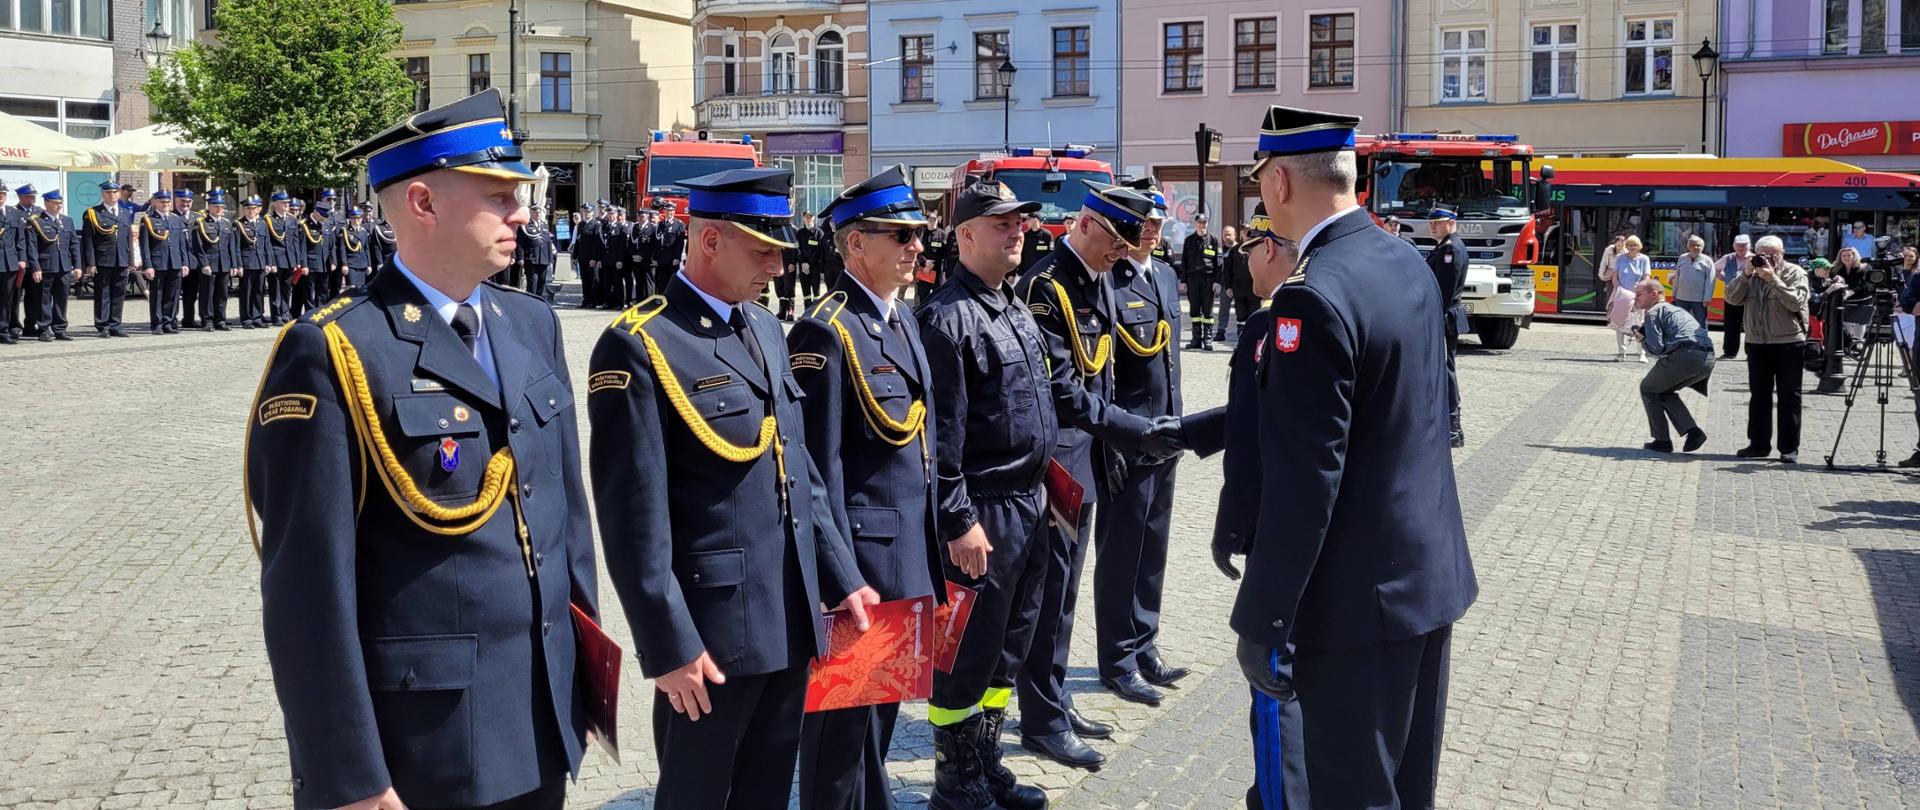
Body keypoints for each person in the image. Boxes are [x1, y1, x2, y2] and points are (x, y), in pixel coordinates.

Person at [247, 88, 600, 810]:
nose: (523, 214)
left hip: (539, 712)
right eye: (499, 196)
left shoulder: (531, 325)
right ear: (423, 203)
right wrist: (347, 772)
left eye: (520, 194)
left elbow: (565, 517)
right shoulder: (338, 348)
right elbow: (307, 586)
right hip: (425, 739)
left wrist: (583, 676)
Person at [586, 166, 877, 810]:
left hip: (789, 613)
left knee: (766, 792)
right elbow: (633, 517)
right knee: (697, 795)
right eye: (762, 249)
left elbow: (800, 472)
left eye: (780, 250)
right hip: (710, 633)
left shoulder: (766, 329)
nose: (777, 266)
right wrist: (667, 644)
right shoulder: (641, 344)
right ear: (710, 240)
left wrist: (841, 574)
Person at [1236, 104, 1477, 809]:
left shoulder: (1313, 296)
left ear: (1279, 182)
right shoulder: (1402, 258)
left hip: (1355, 605)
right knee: (1407, 789)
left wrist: (1264, 619)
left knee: (1352, 794)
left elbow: (1307, 482)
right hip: (1426, 579)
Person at [785, 166, 948, 810]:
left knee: (875, 732)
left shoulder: (901, 320)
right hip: (858, 569)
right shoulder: (826, 330)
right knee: (838, 743)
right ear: (856, 244)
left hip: (905, 556)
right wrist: (835, 577)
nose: (916, 247)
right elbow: (816, 470)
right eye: (900, 235)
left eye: (918, 235)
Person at [1013, 181, 1181, 771]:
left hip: (1088, 457)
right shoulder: (1046, 285)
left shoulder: (1096, 278)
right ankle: (1041, 719)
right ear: (1087, 225)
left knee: (1064, 593)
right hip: (1058, 460)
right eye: (1115, 241)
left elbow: (1103, 373)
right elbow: (1062, 389)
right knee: (1049, 592)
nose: (1121, 254)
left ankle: (1053, 698)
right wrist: (1130, 430)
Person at [913, 179, 1055, 810]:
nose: (1018, 231)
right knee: (964, 656)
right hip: (984, 512)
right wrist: (957, 519)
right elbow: (938, 443)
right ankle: (955, 782)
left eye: (1020, 222)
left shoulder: (1014, 304)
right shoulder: (947, 318)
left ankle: (986, 761)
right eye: (1003, 224)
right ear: (966, 234)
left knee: (1007, 651)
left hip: (1030, 505)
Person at [1095, 177, 1220, 713]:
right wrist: (1111, 443)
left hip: (1167, 435)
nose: (1147, 229)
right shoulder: (1110, 281)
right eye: (1139, 221)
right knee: (1121, 553)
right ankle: (1117, 659)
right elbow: (1099, 375)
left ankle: (1145, 643)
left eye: (1154, 220)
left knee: (1153, 551)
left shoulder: (1166, 277)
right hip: (1128, 440)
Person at [1207, 204, 1309, 810]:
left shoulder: (1270, 323)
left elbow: (1249, 441)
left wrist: (1230, 531)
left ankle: (1278, 800)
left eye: (1249, 249)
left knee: (1274, 684)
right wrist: (1180, 432)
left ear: (1269, 249)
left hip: (1280, 533)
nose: (1243, 261)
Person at [1724, 238, 1811, 463]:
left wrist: (1773, 279)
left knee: (1789, 396)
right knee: (1759, 396)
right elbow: (1731, 299)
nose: (1768, 258)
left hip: (1788, 342)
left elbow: (1796, 302)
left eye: (1773, 254)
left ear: (1782, 253)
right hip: (1756, 343)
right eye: (1763, 253)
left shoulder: (1795, 273)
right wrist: (1745, 275)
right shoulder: (1749, 273)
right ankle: (1758, 445)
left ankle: (1789, 448)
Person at [1630, 277, 1713, 453]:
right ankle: (1693, 432)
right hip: (1707, 357)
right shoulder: (1676, 309)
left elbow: (1656, 349)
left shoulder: (1653, 312)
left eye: (1639, 294)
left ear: (1653, 294)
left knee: (1648, 388)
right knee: (1663, 390)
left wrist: (1641, 337)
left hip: (1686, 356)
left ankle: (1662, 440)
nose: (1636, 298)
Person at [1428, 204, 1470, 447]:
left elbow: (1443, 290)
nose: (1433, 226)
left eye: (1438, 222)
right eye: (1431, 222)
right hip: (1445, 315)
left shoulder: (1450, 250)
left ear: (1451, 223)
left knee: (1446, 369)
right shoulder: (1444, 246)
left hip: (1445, 316)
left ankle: (1453, 425)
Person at [79, 181, 135, 338]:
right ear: (103, 194)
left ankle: (116, 324)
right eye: (109, 192)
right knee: (103, 293)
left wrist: (130, 260)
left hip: (121, 259)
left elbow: (128, 238)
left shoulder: (124, 212)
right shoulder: (92, 213)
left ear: (119, 193)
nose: (112, 195)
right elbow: (88, 240)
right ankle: (102, 325)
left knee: (119, 293)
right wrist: (90, 263)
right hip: (103, 259)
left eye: (115, 192)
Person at [23, 188, 78, 341]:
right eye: (55, 203)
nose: (58, 206)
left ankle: (60, 328)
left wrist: (78, 265)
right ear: (46, 203)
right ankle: (44, 329)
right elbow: (31, 247)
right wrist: (35, 267)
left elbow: (74, 243)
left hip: (64, 266)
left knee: (61, 298)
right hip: (45, 266)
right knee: (44, 299)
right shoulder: (36, 220)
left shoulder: (67, 220)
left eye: (60, 203)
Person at [139, 190, 187, 334]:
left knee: (173, 295)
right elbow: (145, 245)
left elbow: (181, 243)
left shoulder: (175, 219)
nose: (165, 204)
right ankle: (157, 324)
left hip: (175, 262)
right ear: (155, 202)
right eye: (162, 202)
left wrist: (184, 262)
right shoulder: (148, 219)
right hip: (158, 263)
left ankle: (169, 322)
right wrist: (148, 265)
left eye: (167, 202)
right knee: (157, 295)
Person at [191, 191, 239, 331]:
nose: (219, 209)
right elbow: (198, 247)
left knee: (222, 294)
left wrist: (234, 264)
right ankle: (207, 320)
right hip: (209, 264)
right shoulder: (201, 223)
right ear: (210, 207)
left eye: (221, 207)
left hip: (224, 263)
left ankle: (220, 320)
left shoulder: (226, 223)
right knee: (207, 294)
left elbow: (232, 246)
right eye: (216, 206)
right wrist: (204, 264)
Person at [1605, 235, 1652, 361]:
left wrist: (1640, 289)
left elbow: (1647, 277)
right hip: (1622, 297)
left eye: (1634, 245)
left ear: (1639, 247)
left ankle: (1641, 354)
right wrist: (1618, 290)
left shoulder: (1644, 259)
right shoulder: (1621, 258)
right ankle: (1621, 353)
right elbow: (1615, 276)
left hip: (1638, 297)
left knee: (1639, 324)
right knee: (1620, 323)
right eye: (1630, 245)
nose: (1632, 247)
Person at [1182, 213, 1223, 350]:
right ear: (1195, 224)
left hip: (1208, 279)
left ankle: (1208, 339)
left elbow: (1219, 263)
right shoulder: (1189, 241)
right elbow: (1184, 262)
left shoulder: (1213, 240)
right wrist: (1183, 281)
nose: (1202, 225)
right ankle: (1196, 339)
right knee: (1194, 310)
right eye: (1200, 222)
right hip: (1193, 279)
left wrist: (1217, 281)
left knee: (1208, 311)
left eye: (1204, 222)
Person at [292, 201, 334, 320]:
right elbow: (302, 247)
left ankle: (320, 313)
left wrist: (333, 261)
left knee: (322, 290)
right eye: (322, 216)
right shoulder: (304, 225)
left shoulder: (326, 225)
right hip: (311, 264)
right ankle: (310, 314)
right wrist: (304, 265)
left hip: (324, 263)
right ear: (316, 212)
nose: (323, 219)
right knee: (309, 292)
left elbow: (331, 246)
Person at [234, 197, 270, 328]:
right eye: (248, 208)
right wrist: (239, 265)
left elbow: (267, 245)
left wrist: (269, 262)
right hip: (247, 263)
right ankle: (247, 319)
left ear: (257, 209)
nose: (251, 211)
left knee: (259, 292)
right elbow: (236, 247)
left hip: (260, 262)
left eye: (253, 208)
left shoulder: (262, 223)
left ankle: (257, 317)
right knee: (246, 292)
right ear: (243, 209)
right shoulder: (239, 224)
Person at [1716, 234, 1753, 359]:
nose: (1740, 248)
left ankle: (1751, 353)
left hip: (1750, 297)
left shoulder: (1754, 258)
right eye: (1738, 245)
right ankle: (1730, 352)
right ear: (1734, 246)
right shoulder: (1728, 258)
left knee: (1751, 326)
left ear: (1749, 245)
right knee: (1731, 325)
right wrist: (1721, 276)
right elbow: (1714, 268)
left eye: (1744, 245)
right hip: (1731, 296)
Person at [264, 192, 296, 326]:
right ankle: (276, 316)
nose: (286, 205)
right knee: (275, 289)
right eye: (283, 203)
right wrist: (270, 262)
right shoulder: (268, 219)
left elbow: (295, 241)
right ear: (275, 203)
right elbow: (268, 243)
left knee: (286, 289)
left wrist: (297, 260)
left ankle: (285, 314)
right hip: (276, 259)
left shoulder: (291, 219)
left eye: (287, 203)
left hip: (289, 259)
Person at [1672, 234, 1716, 328]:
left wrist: (1707, 298)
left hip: (1699, 301)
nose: (1695, 247)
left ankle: (1702, 342)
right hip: (1682, 298)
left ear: (1702, 247)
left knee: (1701, 324)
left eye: (1698, 245)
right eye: (1692, 245)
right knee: (1681, 323)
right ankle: (1682, 342)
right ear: (1688, 246)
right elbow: (1677, 277)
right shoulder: (1682, 258)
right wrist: (1674, 293)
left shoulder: (1707, 261)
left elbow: (1711, 280)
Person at [517, 205, 557, 304]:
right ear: (530, 212)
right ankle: (531, 301)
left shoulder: (544, 225)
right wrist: (520, 257)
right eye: (535, 212)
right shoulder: (525, 226)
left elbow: (548, 243)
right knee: (532, 281)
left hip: (543, 258)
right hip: (531, 258)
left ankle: (539, 301)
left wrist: (550, 259)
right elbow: (520, 243)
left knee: (542, 281)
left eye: (539, 212)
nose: (538, 214)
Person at [335, 206, 374, 289]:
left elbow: (366, 249)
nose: (356, 220)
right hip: (351, 264)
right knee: (351, 289)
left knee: (361, 289)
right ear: (350, 219)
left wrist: (369, 265)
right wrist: (344, 264)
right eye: (354, 218)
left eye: (359, 218)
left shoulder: (364, 231)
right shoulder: (345, 231)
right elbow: (342, 249)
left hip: (362, 264)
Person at [796, 211, 828, 308]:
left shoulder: (819, 233)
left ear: (814, 218)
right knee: (806, 292)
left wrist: (809, 263)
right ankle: (807, 312)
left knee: (816, 292)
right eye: (807, 218)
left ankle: (814, 313)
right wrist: (803, 263)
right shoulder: (800, 233)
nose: (809, 220)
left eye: (811, 218)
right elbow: (798, 249)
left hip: (815, 266)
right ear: (803, 218)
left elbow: (819, 251)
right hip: (803, 266)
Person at [1214, 225, 1240, 342]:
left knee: (1241, 310)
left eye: (1229, 234)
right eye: (1225, 234)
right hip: (1225, 284)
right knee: (1223, 309)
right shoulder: (1220, 251)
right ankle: (1221, 331)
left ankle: (1242, 331)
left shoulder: (1241, 249)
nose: (1227, 236)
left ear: (1235, 235)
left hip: (1240, 285)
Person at [0, 183, 18, 345]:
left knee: (7, 298)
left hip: (10, 262)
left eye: (3, 193)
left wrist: (22, 259)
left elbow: (21, 239)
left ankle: (3, 330)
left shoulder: (13, 212)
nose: (1, 195)